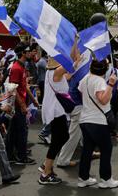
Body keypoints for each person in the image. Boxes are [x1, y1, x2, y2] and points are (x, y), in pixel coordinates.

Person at [78, 59, 118, 189]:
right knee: (106, 149)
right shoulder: (100, 81)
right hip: (98, 121)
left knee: (87, 150)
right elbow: (103, 99)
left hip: (85, 118)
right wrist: (111, 85)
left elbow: (80, 91)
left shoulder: (85, 79)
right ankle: (106, 179)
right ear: (105, 70)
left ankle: (83, 178)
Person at [38, 57, 71, 185]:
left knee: (62, 137)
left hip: (57, 110)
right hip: (56, 111)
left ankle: (46, 165)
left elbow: (68, 75)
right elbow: (71, 64)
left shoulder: (54, 73)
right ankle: (45, 173)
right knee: (59, 139)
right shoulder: (55, 72)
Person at [7, 45, 37, 165]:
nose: (32, 54)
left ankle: (13, 154)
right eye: (29, 52)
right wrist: (23, 105)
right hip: (18, 105)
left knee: (15, 131)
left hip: (21, 103)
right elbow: (13, 89)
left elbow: (24, 86)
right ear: (23, 53)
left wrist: (33, 99)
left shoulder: (22, 66)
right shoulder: (16, 68)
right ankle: (21, 156)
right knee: (21, 131)